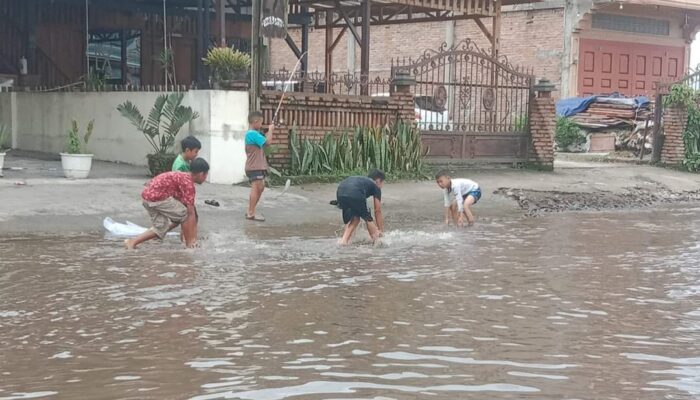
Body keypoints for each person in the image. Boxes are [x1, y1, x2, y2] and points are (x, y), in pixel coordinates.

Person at [125, 158, 209, 250]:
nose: (206, 178)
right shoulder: (188, 184)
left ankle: (132, 242)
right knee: (184, 214)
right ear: (201, 174)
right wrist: (192, 241)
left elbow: (188, 209)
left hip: (147, 198)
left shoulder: (183, 177)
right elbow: (190, 213)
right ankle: (189, 245)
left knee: (161, 227)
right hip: (156, 199)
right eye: (206, 174)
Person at [335, 169, 385, 245]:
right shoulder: (375, 186)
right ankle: (377, 241)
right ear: (378, 180)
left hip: (340, 192)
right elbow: (377, 210)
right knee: (368, 218)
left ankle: (344, 241)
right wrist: (381, 231)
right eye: (383, 182)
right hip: (355, 193)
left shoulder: (362, 181)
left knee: (355, 218)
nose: (382, 186)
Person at [245, 111, 274, 222]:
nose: (262, 125)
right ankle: (251, 213)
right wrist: (271, 130)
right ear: (255, 121)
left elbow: (265, 140)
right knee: (256, 187)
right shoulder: (252, 134)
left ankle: (251, 210)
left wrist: (269, 133)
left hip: (258, 166)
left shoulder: (255, 134)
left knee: (261, 187)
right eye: (261, 122)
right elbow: (268, 142)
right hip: (254, 166)